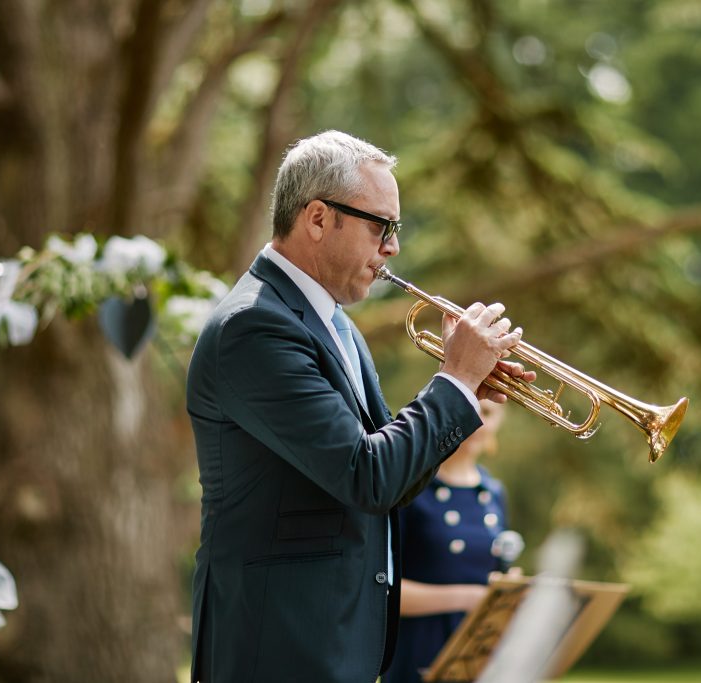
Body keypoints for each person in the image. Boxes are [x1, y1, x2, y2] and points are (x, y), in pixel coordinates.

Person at [185, 130, 534, 683]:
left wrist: (464, 393)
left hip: (333, 643)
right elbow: (366, 475)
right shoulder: (254, 327)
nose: (392, 247)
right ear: (319, 218)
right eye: (381, 226)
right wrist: (455, 381)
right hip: (277, 647)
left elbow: (387, 482)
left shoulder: (334, 325)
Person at [383, 400, 515, 683]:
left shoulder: (493, 492)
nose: (478, 421)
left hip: (477, 650)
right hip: (421, 647)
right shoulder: (411, 488)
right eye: (471, 407)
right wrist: (469, 598)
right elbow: (383, 589)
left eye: (489, 413)